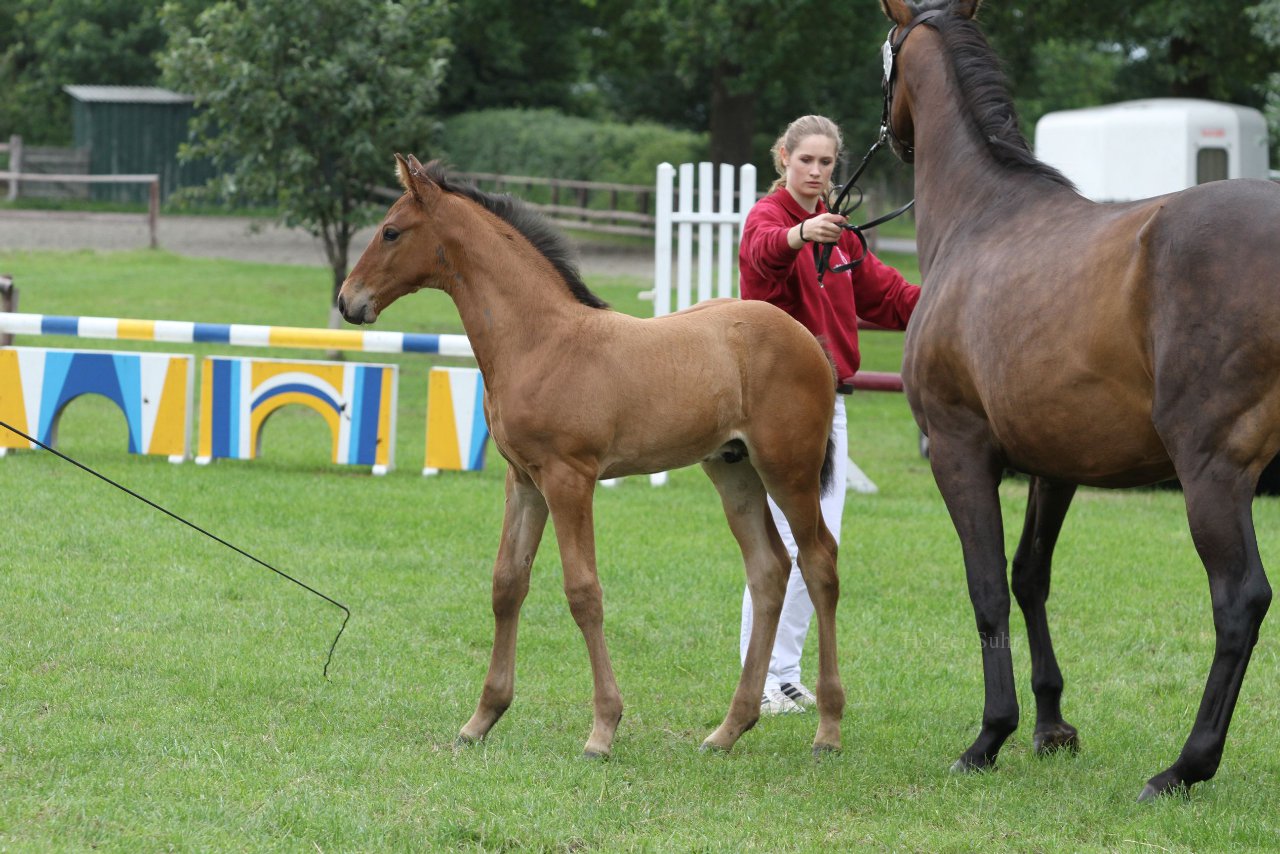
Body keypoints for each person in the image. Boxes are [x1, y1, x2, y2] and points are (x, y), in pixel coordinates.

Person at [738, 114, 920, 714]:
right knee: (788, 541)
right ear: (782, 158)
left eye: (825, 163)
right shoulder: (772, 219)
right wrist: (798, 236)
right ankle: (762, 679)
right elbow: (760, 256)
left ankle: (779, 674)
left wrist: (954, 297)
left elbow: (889, 296)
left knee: (818, 542)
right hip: (776, 406)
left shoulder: (839, 235)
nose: (816, 172)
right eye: (805, 161)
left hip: (827, 406)